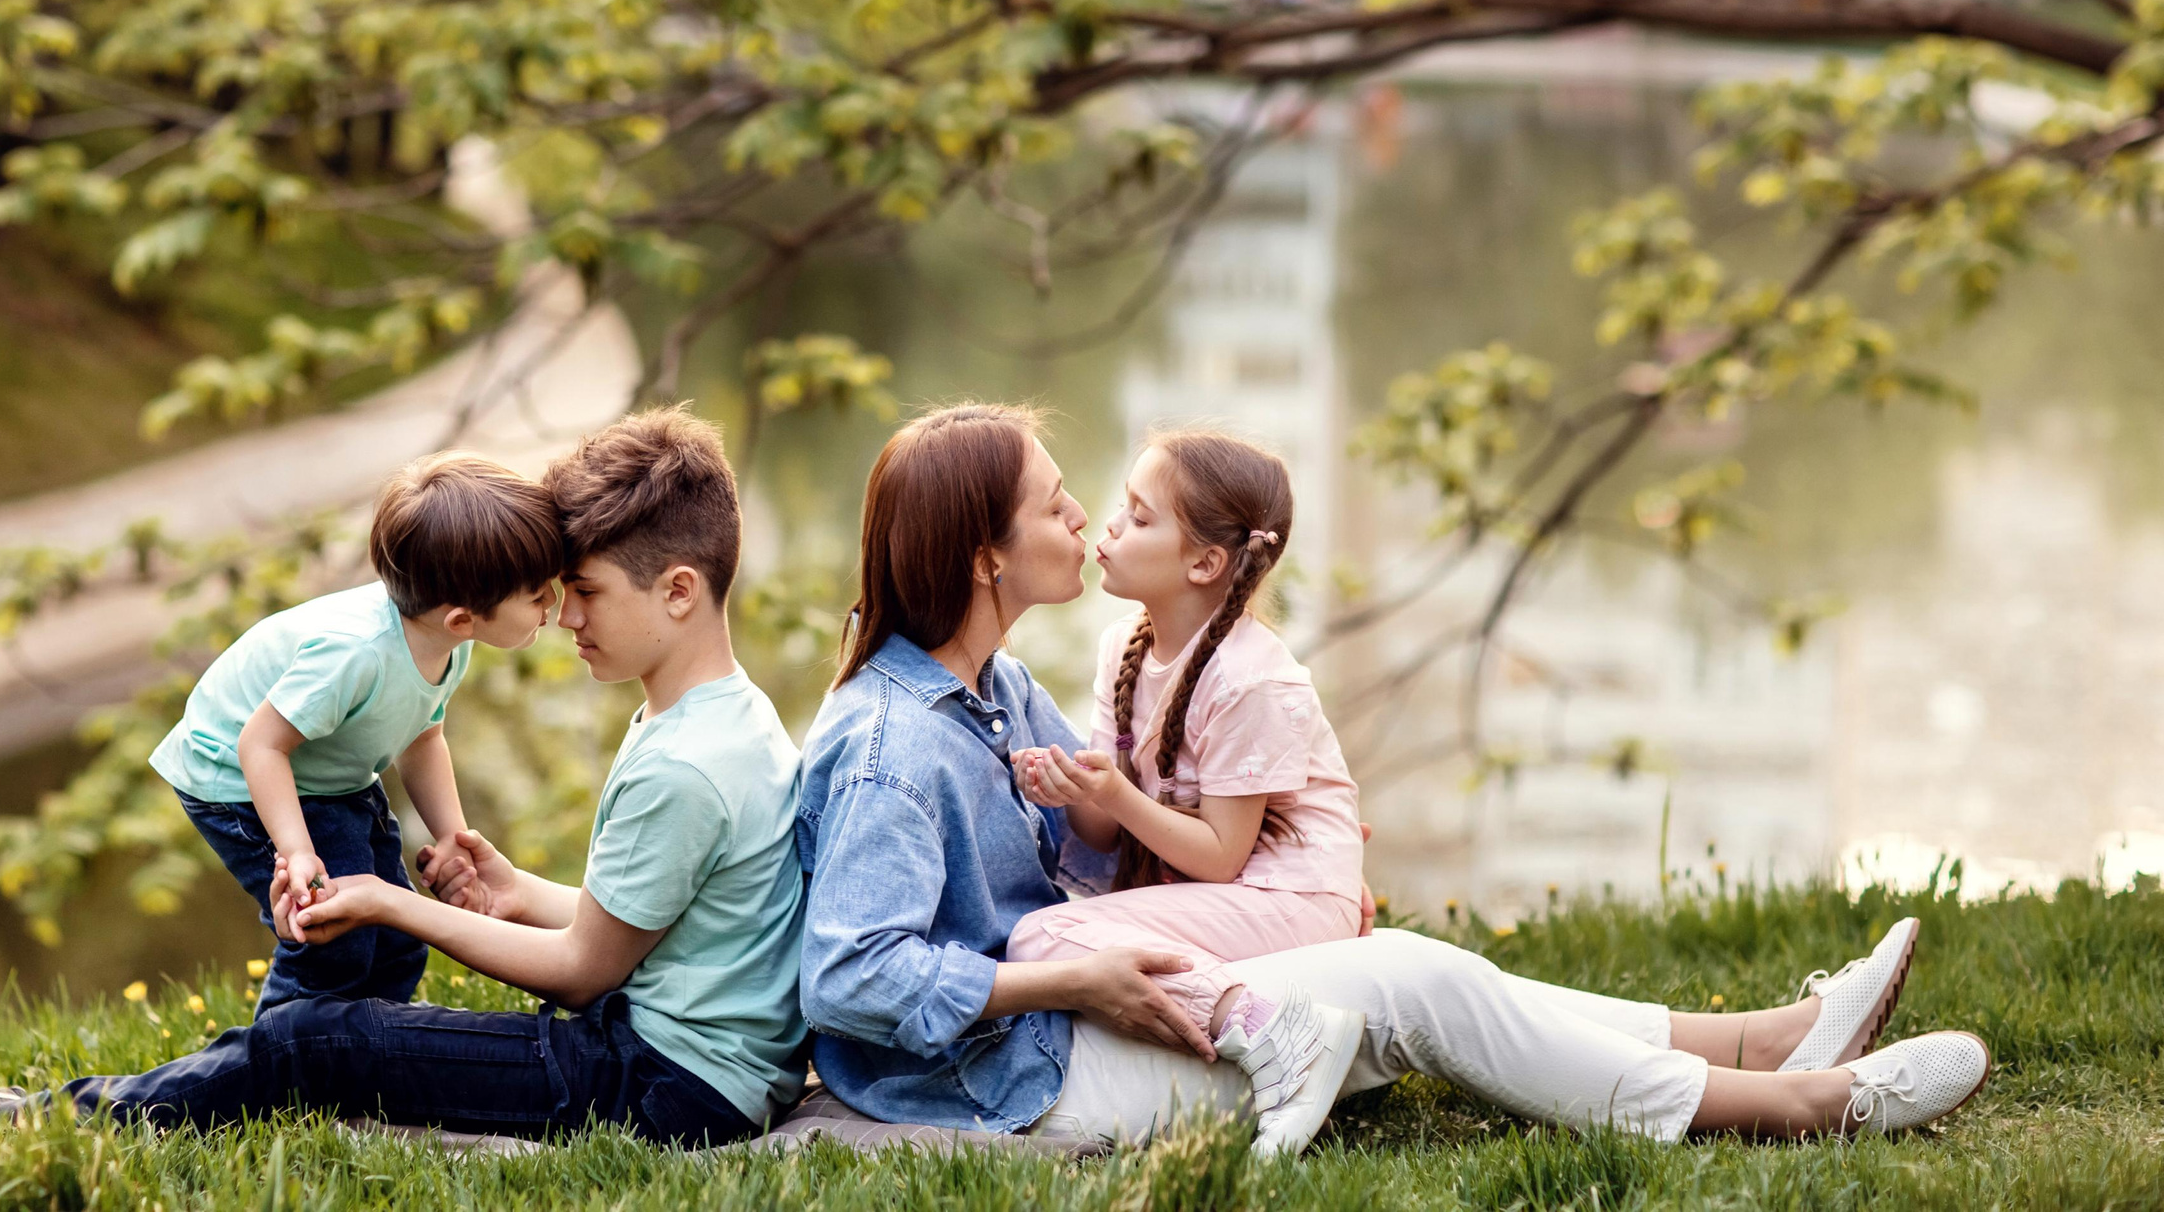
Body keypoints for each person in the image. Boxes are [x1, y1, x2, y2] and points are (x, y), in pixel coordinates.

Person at [795, 402, 1992, 1154]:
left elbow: (1090, 861)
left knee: (1412, 979)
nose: (1084, 521)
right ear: (986, 556)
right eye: (1057, 507)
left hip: (1085, 1017)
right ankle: (1794, 1105)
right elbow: (851, 974)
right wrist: (1079, 976)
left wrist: (1143, 848)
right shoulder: (891, 747)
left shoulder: (999, 692)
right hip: (1020, 1082)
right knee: (1409, 984)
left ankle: (1756, 1041)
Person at [0, 409, 810, 1149]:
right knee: (323, 1032)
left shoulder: (680, 763)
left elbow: (586, 970)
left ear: (678, 591)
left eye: (583, 593)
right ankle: (9, 1108)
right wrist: (512, 894)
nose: (565, 618)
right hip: (687, 1063)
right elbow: (636, 925)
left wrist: (389, 904)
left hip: (659, 1088)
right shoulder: (721, 717)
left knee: (312, 1043)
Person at [1004, 429, 1370, 1147]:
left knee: (1044, 935)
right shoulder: (1123, 648)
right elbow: (1106, 834)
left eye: (1141, 519)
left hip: (1291, 895)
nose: (1108, 526)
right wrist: (1069, 787)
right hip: (1242, 893)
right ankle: (1264, 1028)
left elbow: (1220, 857)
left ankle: (1287, 1041)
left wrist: (1116, 795)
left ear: (1205, 561)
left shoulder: (1248, 678)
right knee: (1060, 933)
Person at [143, 451, 568, 1015]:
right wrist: (296, 852)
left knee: (397, 935)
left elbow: (423, 738)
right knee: (335, 934)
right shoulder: (355, 653)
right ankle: (285, 1056)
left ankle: (371, 1046)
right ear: (462, 617)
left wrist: (452, 837)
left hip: (327, 769)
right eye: (537, 595)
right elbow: (260, 743)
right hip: (239, 775)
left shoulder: (449, 646)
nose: (554, 605)